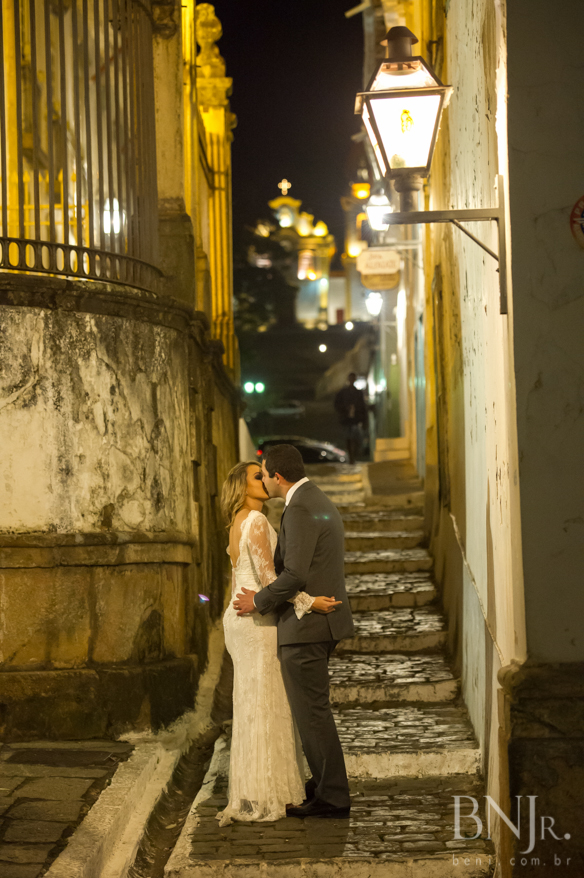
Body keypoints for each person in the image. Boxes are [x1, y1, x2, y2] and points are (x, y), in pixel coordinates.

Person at [234, 444, 355, 819]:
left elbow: (295, 574)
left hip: (307, 628)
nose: (264, 479)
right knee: (313, 711)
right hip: (315, 624)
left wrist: (259, 601)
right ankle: (324, 784)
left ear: (278, 476)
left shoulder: (300, 506)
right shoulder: (312, 498)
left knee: (312, 713)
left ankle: (332, 795)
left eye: (264, 473)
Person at [334, 372, 368, 464]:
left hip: (355, 420)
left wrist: (364, 420)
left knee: (356, 438)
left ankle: (354, 456)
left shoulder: (358, 393)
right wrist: (344, 409)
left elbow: (362, 407)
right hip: (347, 420)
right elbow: (337, 404)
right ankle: (351, 457)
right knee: (348, 439)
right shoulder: (343, 392)